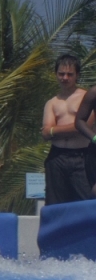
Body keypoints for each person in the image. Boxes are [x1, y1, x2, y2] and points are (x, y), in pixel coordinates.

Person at [42, 54, 95, 205]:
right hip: (57, 156)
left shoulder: (86, 97)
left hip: (82, 156)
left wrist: (54, 130)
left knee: (85, 202)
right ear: (56, 74)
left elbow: (84, 126)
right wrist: (51, 131)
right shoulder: (52, 102)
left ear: (77, 75)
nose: (65, 78)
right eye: (61, 74)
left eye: (69, 74)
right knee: (55, 204)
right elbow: (45, 133)